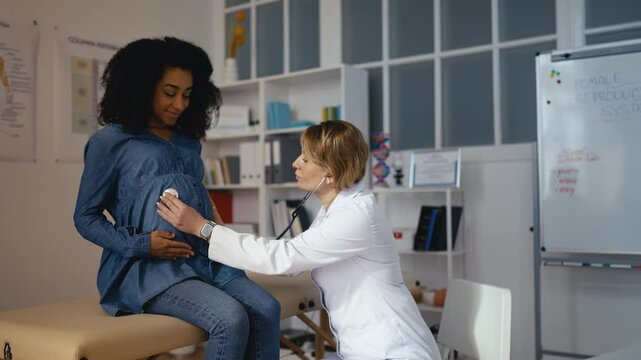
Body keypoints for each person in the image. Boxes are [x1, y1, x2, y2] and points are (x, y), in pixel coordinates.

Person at [157, 120, 442, 359]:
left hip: (393, 350)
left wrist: (202, 229)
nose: (295, 163)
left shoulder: (355, 215)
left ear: (330, 171)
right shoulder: (335, 208)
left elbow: (285, 258)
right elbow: (294, 257)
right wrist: (219, 232)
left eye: (305, 158)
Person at [73, 37, 280, 360]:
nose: (180, 104)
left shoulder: (188, 141)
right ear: (141, 88)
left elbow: (194, 193)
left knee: (267, 308)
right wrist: (143, 245)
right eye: (170, 93)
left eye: (187, 95)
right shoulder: (110, 142)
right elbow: (85, 217)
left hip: (206, 259)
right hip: (146, 269)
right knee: (230, 318)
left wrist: (217, 229)